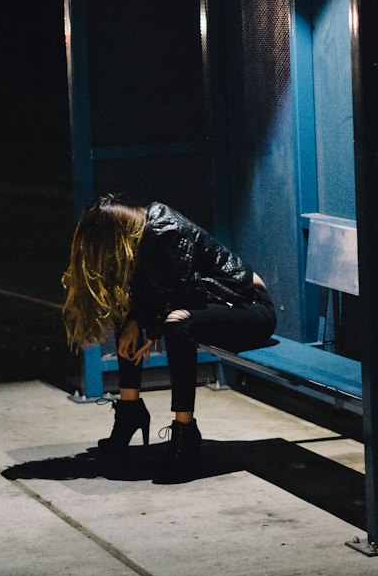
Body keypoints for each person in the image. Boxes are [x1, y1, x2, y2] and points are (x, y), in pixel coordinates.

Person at [62, 195, 276, 483]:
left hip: (249, 310)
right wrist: (139, 323)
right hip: (211, 307)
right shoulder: (138, 236)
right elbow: (148, 293)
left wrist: (154, 332)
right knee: (130, 320)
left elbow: (188, 295)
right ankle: (129, 410)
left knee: (177, 325)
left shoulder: (167, 230)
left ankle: (185, 432)